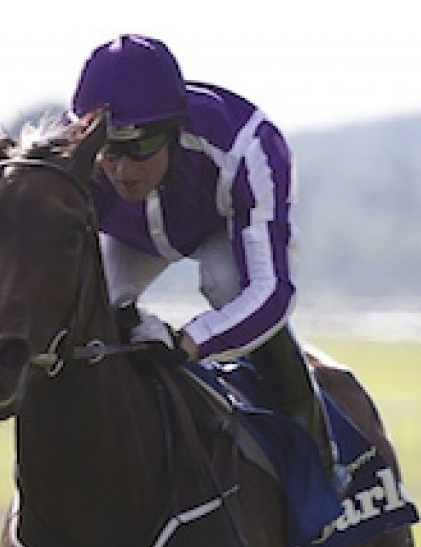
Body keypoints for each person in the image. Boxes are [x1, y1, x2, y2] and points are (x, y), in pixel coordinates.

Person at [69, 34, 341, 483]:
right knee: (97, 302)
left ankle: (314, 446)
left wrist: (189, 342)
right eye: (110, 149)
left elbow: (271, 291)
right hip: (131, 234)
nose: (122, 169)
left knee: (226, 284)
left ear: (175, 128)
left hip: (222, 224)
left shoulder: (250, 147)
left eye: (140, 147)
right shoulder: (76, 153)